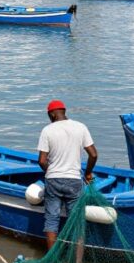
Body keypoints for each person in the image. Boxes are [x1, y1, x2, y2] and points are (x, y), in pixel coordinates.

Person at [37, 100, 98, 251]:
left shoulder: (47, 130)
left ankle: (51, 259)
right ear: (64, 111)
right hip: (74, 180)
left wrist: (50, 171)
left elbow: (42, 161)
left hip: (53, 181)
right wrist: (88, 173)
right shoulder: (80, 127)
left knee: (52, 220)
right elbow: (93, 154)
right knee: (76, 222)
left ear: (52, 114)